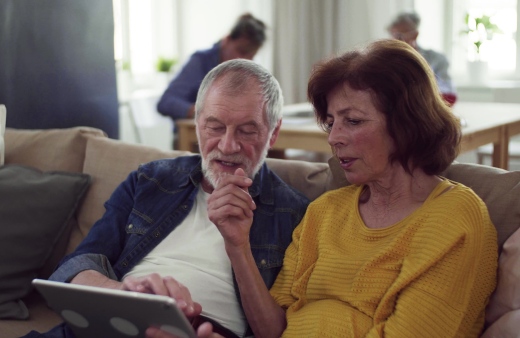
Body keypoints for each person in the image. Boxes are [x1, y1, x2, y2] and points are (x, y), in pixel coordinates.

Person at [199, 39, 498, 337]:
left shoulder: (455, 217)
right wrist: (238, 246)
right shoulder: (324, 211)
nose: (333, 138)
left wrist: (320, 320)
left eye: (353, 121)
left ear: (407, 124)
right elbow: (273, 329)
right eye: (331, 123)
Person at [23, 58, 310, 338]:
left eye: (247, 131)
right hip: (114, 320)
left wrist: (239, 247)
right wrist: (128, 294)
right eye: (215, 127)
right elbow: (75, 266)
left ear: (272, 134)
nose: (227, 145)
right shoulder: (149, 180)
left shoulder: (295, 213)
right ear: (197, 122)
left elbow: (277, 331)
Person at [157, 13, 266, 122]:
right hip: (193, 136)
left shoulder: (245, 73)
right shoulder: (200, 61)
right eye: (241, 51)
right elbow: (166, 102)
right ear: (226, 40)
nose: (245, 60)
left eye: (251, 56)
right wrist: (201, 111)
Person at [388, 11, 458, 105]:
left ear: (415, 34)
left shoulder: (436, 59)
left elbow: (449, 94)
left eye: (400, 35)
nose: (395, 40)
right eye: (393, 35)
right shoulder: (387, 61)